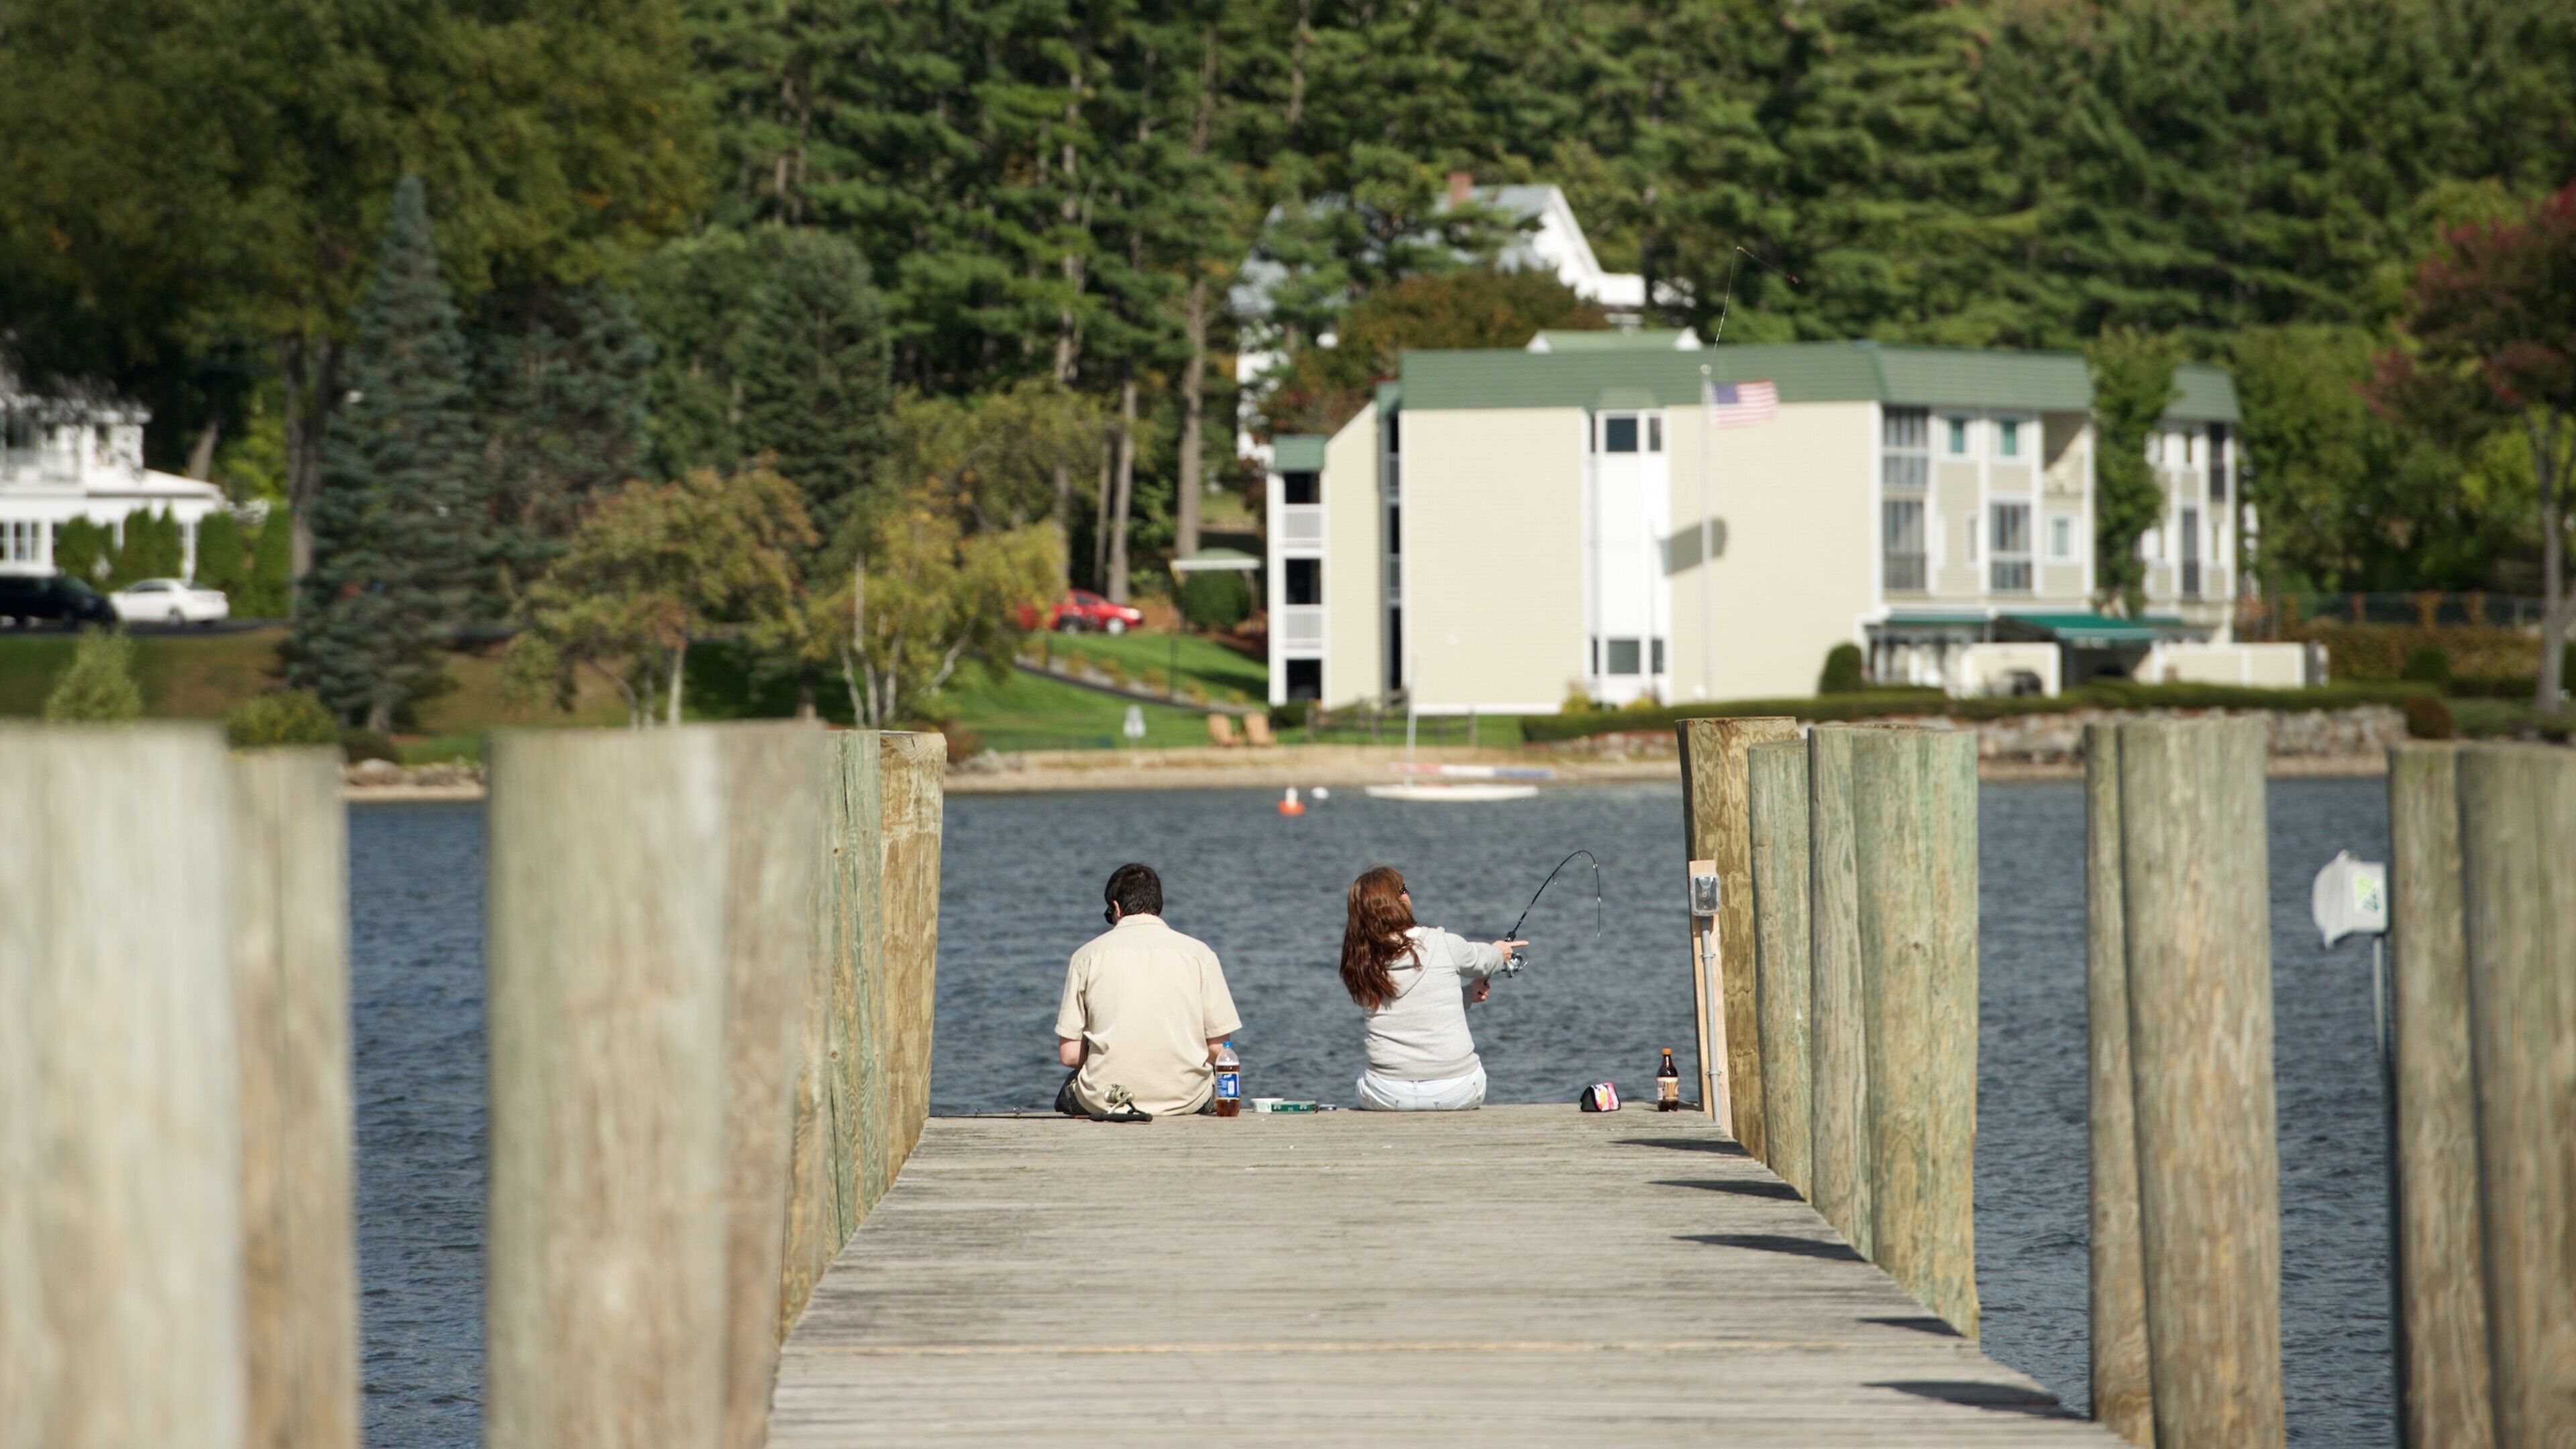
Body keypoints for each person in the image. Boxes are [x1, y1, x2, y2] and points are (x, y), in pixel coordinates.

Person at [1054, 863, 1242, 1120]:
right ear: (1158, 905)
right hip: (1187, 1099)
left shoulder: (1085, 957)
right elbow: (1219, 1050)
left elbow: (1069, 1056)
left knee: (1069, 1088)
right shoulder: (1200, 955)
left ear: (1116, 908)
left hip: (1105, 1098)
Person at [1338, 866, 1525, 1111]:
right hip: (1457, 1090)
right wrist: (1500, 952)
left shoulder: (1360, 960)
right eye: (1404, 889)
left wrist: (1467, 995)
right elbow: (1485, 960)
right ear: (1400, 901)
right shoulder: (1442, 942)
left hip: (1387, 1094)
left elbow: (1403, 1007)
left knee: (1366, 1078)